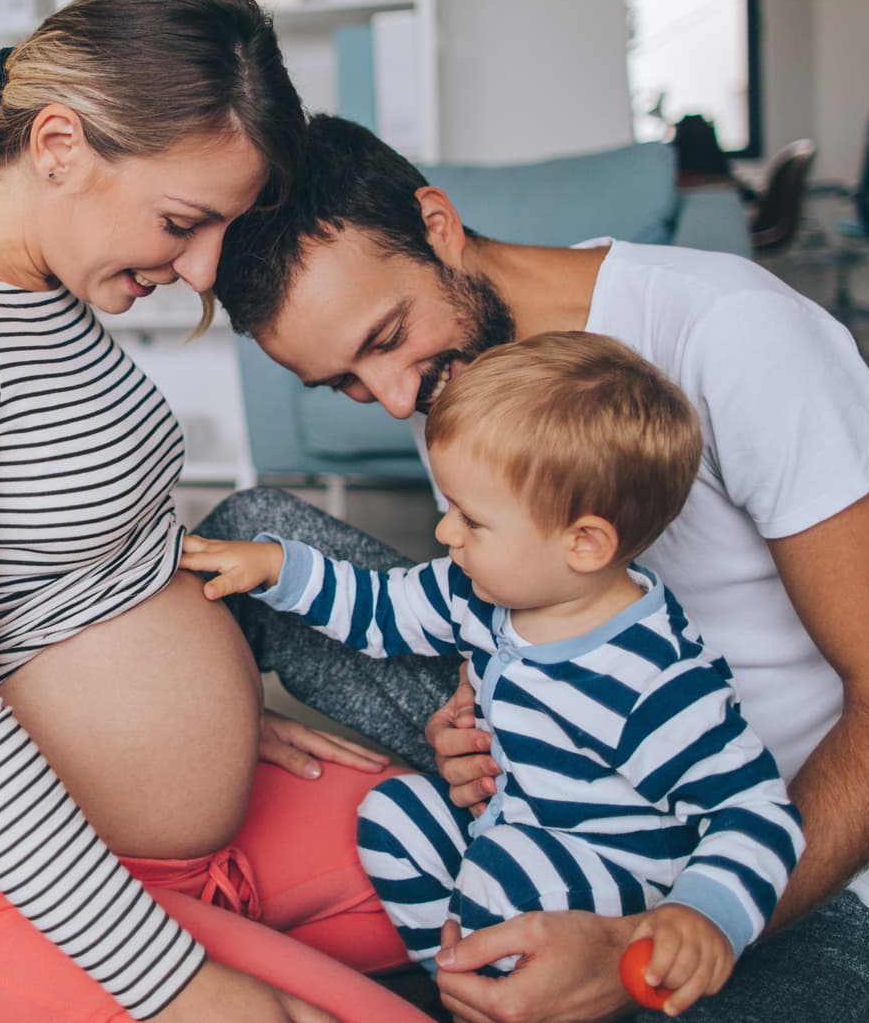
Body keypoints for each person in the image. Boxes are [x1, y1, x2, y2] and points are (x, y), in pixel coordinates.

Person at [205, 115, 869, 1023]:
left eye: (384, 339)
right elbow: (507, 593)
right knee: (245, 536)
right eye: (344, 383)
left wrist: (651, 941)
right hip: (567, 786)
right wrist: (467, 700)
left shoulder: (731, 334)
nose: (394, 400)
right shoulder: (445, 371)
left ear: (438, 225)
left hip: (799, 862)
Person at [0, 0, 430, 1022]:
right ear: (57, 147)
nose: (204, 269)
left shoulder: (43, 280)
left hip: (189, 836)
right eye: (184, 221)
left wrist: (205, 724)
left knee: (503, 877)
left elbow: (86, 570)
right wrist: (181, 987)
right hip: (11, 899)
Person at [181, 332, 806, 1018]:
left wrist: (703, 914)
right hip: (510, 823)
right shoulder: (482, 591)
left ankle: (496, 978)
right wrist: (276, 569)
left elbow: (753, 812)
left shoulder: (651, 679)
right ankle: (463, 984)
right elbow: (381, 608)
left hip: (610, 879)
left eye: (471, 520)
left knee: (504, 871)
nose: (445, 534)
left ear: (584, 543)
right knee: (392, 816)